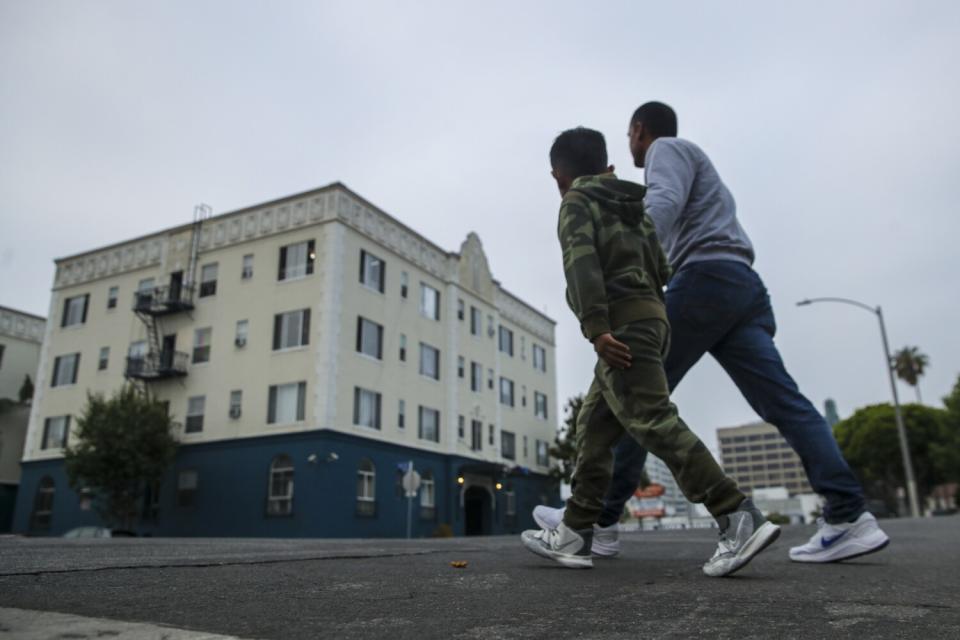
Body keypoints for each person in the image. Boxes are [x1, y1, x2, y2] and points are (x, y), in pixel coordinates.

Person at [533, 103, 889, 564]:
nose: (630, 146)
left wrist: (629, 265)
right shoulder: (693, 160)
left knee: (635, 397)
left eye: (629, 136)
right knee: (783, 402)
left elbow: (658, 208)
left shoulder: (665, 149)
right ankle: (848, 514)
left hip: (703, 281)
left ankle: (598, 521)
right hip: (740, 284)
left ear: (639, 131)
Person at [521, 126, 780, 576]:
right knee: (595, 425)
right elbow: (662, 265)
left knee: (652, 418)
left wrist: (597, 327)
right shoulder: (636, 209)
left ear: (557, 177)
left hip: (619, 325)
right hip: (653, 318)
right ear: (608, 167)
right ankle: (576, 531)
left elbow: (581, 266)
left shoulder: (576, 204)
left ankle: (736, 515)